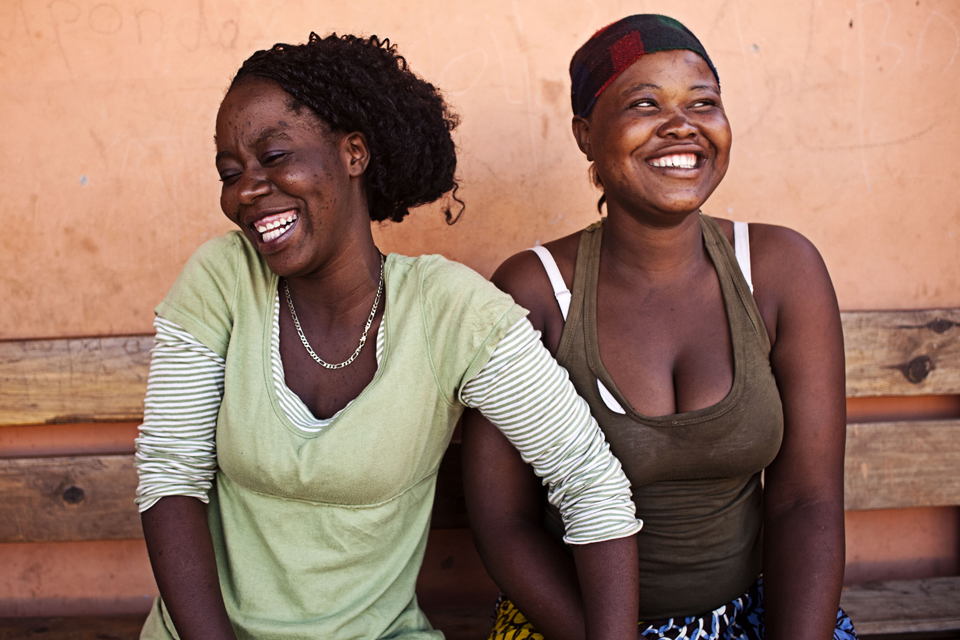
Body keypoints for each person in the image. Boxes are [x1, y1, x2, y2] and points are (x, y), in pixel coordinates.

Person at [133, 33, 643, 640]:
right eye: (230, 172)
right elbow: (171, 474)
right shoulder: (222, 279)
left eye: (273, 157)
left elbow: (590, 480)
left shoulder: (450, 310)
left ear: (353, 154)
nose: (245, 190)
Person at [462, 14, 857, 640]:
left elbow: (806, 504)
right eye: (644, 103)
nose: (682, 125)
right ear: (586, 134)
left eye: (704, 103)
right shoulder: (535, 290)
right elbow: (504, 522)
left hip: (752, 617)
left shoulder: (783, 270)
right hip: (581, 625)